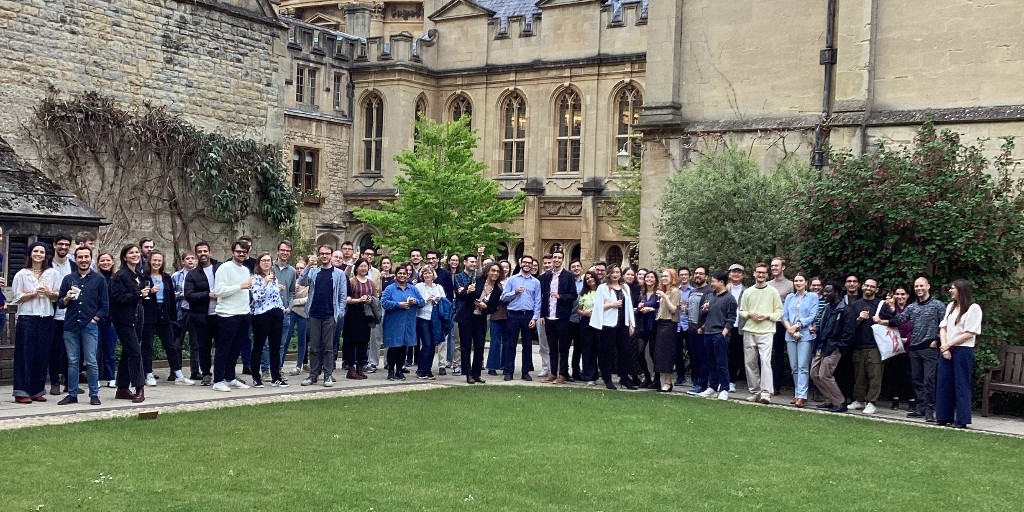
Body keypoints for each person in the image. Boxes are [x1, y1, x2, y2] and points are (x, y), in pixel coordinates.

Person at [877, 276, 947, 422]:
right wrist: (890, 310)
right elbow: (899, 320)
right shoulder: (912, 307)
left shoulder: (938, 305)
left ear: (928, 286)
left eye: (921, 285)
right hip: (914, 348)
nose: (919, 289)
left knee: (929, 380)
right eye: (916, 286)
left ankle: (930, 410)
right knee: (916, 380)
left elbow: (945, 326)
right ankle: (920, 408)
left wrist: (938, 340)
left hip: (929, 347)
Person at [56, 246, 109, 405]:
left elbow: (105, 306)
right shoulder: (68, 279)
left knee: (91, 361)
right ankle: (72, 393)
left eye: (87, 257)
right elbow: (60, 303)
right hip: (71, 325)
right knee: (72, 361)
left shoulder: (99, 280)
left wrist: (95, 319)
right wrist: (66, 298)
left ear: (91, 259)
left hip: (89, 325)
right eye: (80, 257)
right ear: (75, 259)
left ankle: (94, 394)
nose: (84, 260)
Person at [10, 242, 60, 404]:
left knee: (42, 354)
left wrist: (48, 292)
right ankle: (21, 391)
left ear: (46, 255)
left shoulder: (52, 273)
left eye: (42, 252)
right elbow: (16, 297)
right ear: (30, 254)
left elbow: (58, 296)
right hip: (27, 318)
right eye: (36, 251)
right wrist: (32, 294)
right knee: (25, 354)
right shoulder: (22, 274)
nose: (39, 254)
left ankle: (37, 390)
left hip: (46, 318)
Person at [298, 245, 348, 387]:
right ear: (319, 255)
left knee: (328, 347)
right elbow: (301, 282)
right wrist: (308, 266)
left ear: (331, 255)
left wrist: (339, 314)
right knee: (314, 347)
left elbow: (343, 296)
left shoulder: (339, 274)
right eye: (322, 254)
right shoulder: (314, 272)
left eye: (327, 254)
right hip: (314, 313)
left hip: (330, 314)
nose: (324, 256)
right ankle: (313, 375)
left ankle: (327, 375)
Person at [210, 240, 255, 393]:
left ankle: (230, 378)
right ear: (232, 252)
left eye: (244, 252)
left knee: (236, 349)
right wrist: (240, 286)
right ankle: (218, 380)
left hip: (243, 313)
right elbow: (219, 291)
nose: (241, 254)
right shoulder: (224, 268)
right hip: (227, 314)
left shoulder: (245, 270)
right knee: (224, 348)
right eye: (238, 251)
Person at [141, 250, 192, 386]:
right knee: (147, 345)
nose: (157, 263)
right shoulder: (143, 277)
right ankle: (148, 374)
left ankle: (178, 374)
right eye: (154, 260)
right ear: (150, 261)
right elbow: (140, 296)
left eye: (159, 260)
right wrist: (150, 292)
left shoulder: (166, 277)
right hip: (149, 314)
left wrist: (173, 317)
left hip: (164, 314)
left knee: (171, 345)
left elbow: (170, 298)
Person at [936, 279, 982, 428]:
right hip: (948, 349)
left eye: (953, 288)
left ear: (961, 290)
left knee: (961, 384)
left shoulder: (973, 308)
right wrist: (945, 346)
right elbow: (943, 327)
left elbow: (970, 332)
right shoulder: (951, 307)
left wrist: (950, 344)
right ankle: (943, 416)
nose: (950, 290)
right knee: (944, 382)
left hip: (963, 350)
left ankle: (962, 419)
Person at [738, 262, 783, 404]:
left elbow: (779, 312)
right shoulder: (748, 292)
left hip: (766, 331)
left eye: (763, 272)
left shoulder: (773, 292)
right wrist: (750, 314)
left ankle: (766, 393)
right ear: (754, 274)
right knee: (750, 363)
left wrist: (767, 317)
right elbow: (741, 311)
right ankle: (755, 392)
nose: (761, 274)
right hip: (750, 330)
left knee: (765, 362)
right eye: (758, 272)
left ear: (767, 274)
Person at [110, 244, 148, 403]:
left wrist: (143, 293)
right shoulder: (120, 276)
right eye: (131, 253)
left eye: (137, 252)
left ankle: (122, 387)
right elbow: (117, 297)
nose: (135, 255)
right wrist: (138, 293)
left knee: (128, 351)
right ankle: (139, 387)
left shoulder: (137, 273)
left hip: (137, 315)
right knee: (134, 352)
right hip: (124, 318)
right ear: (124, 257)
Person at [590, 265, 637, 390]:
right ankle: (607, 378)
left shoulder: (625, 287)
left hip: (622, 324)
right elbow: (598, 307)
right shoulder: (602, 288)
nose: (615, 274)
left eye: (617, 272)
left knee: (625, 351)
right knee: (607, 352)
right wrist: (612, 304)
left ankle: (624, 377)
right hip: (608, 324)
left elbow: (629, 307)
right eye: (613, 272)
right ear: (609, 274)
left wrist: (631, 323)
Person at [246, 252, 287, 388]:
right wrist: (264, 283)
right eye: (263, 260)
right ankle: (256, 377)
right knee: (259, 346)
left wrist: (281, 307)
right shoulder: (255, 278)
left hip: (276, 313)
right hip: (261, 315)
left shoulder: (273, 278)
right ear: (259, 263)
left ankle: (276, 377)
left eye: (268, 260)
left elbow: (274, 297)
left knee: (275, 347)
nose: (266, 262)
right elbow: (257, 297)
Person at [843, 277, 883, 415]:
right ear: (862, 287)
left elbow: (893, 322)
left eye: (872, 286)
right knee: (859, 376)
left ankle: (872, 402)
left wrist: (881, 321)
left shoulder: (880, 304)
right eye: (867, 285)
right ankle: (859, 400)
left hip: (875, 346)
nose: (869, 288)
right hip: (858, 345)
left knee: (875, 375)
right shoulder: (855, 305)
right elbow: (848, 325)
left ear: (876, 289)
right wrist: (859, 319)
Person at [458, 262, 502, 383]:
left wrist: (485, 306)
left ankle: (476, 374)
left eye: (498, 271)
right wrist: (468, 291)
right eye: (493, 270)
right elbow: (461, 297)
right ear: (487, 271)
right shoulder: (478, 280)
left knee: (479, 346)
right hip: (467, 317)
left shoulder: (498, 289)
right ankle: (468, 374)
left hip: (480, 319)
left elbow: (493, 308)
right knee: (466, 346)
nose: (495, 273)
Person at [696, 271, 737, 400]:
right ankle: (712, 387)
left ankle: (724, 389)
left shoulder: (730, 298)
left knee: (722, 363)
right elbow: (705, 315)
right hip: (708, 333)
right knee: (710, 362)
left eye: (714, 281)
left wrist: (724, 332)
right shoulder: (709, 296)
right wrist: (704, 311)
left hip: (720, 334)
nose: (712, 283)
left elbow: (732, 317)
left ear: (721, 282)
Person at [500, 255, 542, 381]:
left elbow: (537, 301)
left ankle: (525, 372)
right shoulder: (512, 280)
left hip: (528, 315)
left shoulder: (536, 282)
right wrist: (515, 292)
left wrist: (534, 318)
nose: (527, 265)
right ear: (521, 263)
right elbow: (503, 297)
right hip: (513, 314)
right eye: (525, 262)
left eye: (530, 263)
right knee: (510, 344)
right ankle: (509, 371)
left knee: (527, 345)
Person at [539, 249, 577, 384]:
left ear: (562, 260)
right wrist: (542, 314)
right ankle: (553, 373)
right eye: (554, 258)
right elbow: (542, 297)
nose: (556, 260)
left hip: (562, 318)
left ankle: (563, 374)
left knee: (563, 348)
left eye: (559, 258)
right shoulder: (547, 276)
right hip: (549, 317)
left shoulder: (568, 276)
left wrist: (560, 296)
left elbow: (573, 295)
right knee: (552, 347)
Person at [184, 241, 219, 386]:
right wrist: (207, 295)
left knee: (222, 346)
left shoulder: (220, 268)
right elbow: (189, 295)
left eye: (205, 251)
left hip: (221, 314)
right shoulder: (192, 274)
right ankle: (205, 373)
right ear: (196, 254)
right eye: (200, 251)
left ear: (209, 252)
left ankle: (221, 373)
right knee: (203, 347)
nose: (203, 254)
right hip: (201, 316)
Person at [809, 283, 849, 412]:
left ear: (836, 293)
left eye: (828, 292)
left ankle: (840, 402)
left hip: (833, 347)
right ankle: (830, 400)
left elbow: (848, 333)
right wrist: (817, 330)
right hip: (821, 345)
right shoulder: (827, 308)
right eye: (824, 292)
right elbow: (824, 326)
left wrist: (838, 346)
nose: (824, 294)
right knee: (814, 374)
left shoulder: (845, 310)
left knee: (825, 375)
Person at [381, 265, 424, 380]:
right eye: (400, 273)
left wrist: (415, 301)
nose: (402, 275)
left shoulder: (413, 288)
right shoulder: (390, 288)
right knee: (394, 347)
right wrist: (398, 304)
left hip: (408, 322)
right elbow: (384, 302)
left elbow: (422, 302)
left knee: (404, 347)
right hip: (394, 322)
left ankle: (399, 370)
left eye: (404, 273)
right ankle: (390, 370)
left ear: (407, 275)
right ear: (396, 275)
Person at [782, 273, 818, 408]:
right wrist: (790, 329)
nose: (798, 283)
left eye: (800, 281)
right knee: (794, 367)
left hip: (805, 334)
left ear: (806, 282)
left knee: (803, 366)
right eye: (796, 281)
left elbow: (812, 316)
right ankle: (797, 393)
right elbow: (784, 316)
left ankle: (802, 395)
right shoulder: (790, 297)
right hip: (790, 334)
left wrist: (797, 326)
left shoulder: (812, 297)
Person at [879, 284, 913, 409]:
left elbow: (915, 326)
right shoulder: (888, 308)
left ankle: (912, 401)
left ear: (908, 295)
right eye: (897, 294)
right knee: (894, 374)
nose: (900, 296)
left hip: (908, 346)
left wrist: (907, 339)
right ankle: (895, 399)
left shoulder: (912, 308)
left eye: (903, 294)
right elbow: (882, 322)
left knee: (909, 375)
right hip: (893, 345)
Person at [266, 241, 296, 379]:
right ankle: (266, 369)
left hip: (284, 312)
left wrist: (290, 307)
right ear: (277, 251)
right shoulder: (268, 266)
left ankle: (278, 369)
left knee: (281, 344)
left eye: (288, 251)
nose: (285, 253)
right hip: (268, 310)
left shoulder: (292, 271)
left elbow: (292, 292)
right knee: (266, 343)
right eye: (283, 250)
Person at [343, 258, 375, 380]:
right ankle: (351, 368)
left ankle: (360, 368)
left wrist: (369, 300)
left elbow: (375, 297)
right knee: (352, 342)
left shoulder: (371, 283)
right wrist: (358, 300)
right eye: (361, 266)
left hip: (366, 314)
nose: (363, 268)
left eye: (365, 266)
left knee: (363, 342)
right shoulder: (352, 281)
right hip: (353, 313)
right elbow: (346, 298)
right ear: (356, 268)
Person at [49, 234, 72, 396]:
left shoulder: (74, 265)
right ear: (54, 245)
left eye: (66, 245)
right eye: (60, 244)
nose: (63, 247)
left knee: (70, 350)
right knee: (54, 350)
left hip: (70, 314)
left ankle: (69, 382)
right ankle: (54, 382)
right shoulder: (47, 265)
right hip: (52, 314)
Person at [767, 257, 794, 393]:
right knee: (766, 354)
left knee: (779, 354)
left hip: (782, 323)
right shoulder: (767, 284)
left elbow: (793, 305)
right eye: (772, 266)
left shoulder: (790, 285)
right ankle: (766, 384)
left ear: (783, 267)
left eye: (776, 266)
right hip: (768, 322)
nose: (773, 268)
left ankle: (777, 385)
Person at [414, 266, 446, 379]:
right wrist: (427, 299)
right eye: (425, 273)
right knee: (426, 344)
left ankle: (428, 369)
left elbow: (444, 301)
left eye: (429, 273)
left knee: (433, 344)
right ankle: (422, 369)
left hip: (436, 319)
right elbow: (416, 302)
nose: (427, 275)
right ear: (422, 275)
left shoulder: (439, 287)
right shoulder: (418, 287)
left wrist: (438, 299)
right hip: (423, 317)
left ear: (433, 275)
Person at [171, 251, 199, 380]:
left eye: (193, 258)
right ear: (183, 261)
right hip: (180, 311)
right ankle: (175, 371)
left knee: (195, 343)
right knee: (177, 344)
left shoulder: (200, 275)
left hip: (195, 311)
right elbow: (170, 295)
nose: (190, 261)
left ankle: (195, 371)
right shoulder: (176, 276)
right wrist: (181, 295)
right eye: (187, 259)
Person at [684, 266, 712, 394]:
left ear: (706, 276)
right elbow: (692, 309)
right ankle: (695, 382)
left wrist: (703, 327)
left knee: (703, 358)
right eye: (696, 273)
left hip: (702, 330)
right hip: (691, 329)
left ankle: (703, 384)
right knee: (694, 357)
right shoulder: (692, 291)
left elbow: (710, 313)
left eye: (701, 273)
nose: (698, 275)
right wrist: (686, 309)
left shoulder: (710, 291)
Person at [653, 269, 681, 392]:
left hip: (669, 324)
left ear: (672, 278)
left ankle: (668, 382)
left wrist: (665, 296)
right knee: (660, 353)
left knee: (666, 353)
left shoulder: (675, 291)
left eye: (666, 276)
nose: (664, 278)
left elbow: (673, 309)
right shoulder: (664, 291)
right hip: (661, 323)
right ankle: (665, 381)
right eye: (662, 276)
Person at [95, 252, 119, 388]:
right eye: (102, 260)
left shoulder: (116, 278)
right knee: (95, 350)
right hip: (97, 318)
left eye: (108, 260)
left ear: (112, 262)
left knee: (110, 350)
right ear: (98, 263)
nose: (105, 263)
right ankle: (96, 377)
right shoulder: (95, 278)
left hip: (111, 319)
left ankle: (110, 377)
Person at [576, 271, 603, 386]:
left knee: (599, 348)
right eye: (587, 278)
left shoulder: (602, 290)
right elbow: (579, 309)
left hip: (599, 321)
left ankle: (603, 374)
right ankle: (589, 376)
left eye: (592, 277)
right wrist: (583, 313)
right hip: (586, 322)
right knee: (587, 349)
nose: (590, 279)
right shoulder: (583, 293)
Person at [634, 270, 659, 388]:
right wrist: (639, 309)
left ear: (655, 280)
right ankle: (647, 377)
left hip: (654, 327)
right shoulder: (641, 293)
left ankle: (657, 379)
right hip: (642, 327)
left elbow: (661, 310)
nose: (649, 279)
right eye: (647, 277)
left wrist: (651, 309)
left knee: (654, 354)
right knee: (639, 353)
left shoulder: (658, 293)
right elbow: (638, 311)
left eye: (652, 277)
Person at [485, 263, 509, 376]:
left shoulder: (510, 281)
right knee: (495, 341)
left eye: (506, 268)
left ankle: (505, 365)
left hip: (508, 315)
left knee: (506, 341)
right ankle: (492, 366)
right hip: (496, 314)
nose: (504, 269)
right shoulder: (495, 284)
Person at [287, 260, 310, 376]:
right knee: (286, 339)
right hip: (291, 312)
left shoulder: (309, 281)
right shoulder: (292, 281)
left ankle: (299, 365)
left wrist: (293, 302)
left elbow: (308, 299)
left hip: (303, 313)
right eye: (297, 268)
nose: (299, 270)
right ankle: (280, 365)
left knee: (302, 340)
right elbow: (287, 295)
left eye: (302, 268)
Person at [726, 263, 746, 393]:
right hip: (725, 326)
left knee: (735, 355)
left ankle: (731, 381)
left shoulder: (748, 290)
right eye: (733, 272)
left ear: (742, 275)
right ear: (729, 274)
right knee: (723, 354)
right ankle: (722, 380)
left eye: (739, 272)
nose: (736, 274)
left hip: (739, 327)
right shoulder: (724, 289)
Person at [674, 267, 692, 387]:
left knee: (693, 352)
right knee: (677, 352)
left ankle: (696, 377)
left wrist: (687, 309)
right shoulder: (675, 291)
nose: (684, 277)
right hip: (677, 324)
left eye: (686, 275)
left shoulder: (694, 291)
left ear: (689, 276)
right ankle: (681, 377)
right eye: (681, 275)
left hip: (689, 325)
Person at [567, 259, 585, 380]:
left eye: (578, 266)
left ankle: (576, 371)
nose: (576, 268)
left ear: (581, 268)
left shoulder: (586, 282)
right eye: (573, 267)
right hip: (569, 318)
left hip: (582, 319)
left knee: (579, 348)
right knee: (565, 347)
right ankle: (564, 371)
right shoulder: (567, 281)